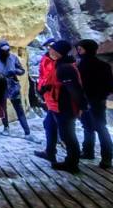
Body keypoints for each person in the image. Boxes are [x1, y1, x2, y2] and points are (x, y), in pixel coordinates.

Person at [34, 40, 85, 173]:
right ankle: (50, 152)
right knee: (49, 124)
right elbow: (55, 82)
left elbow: (75, 89)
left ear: (59, 53)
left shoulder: (65, 68)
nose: (50, 51)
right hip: (55, 105)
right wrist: (46, 88)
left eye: (53, 49)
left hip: (64, 106)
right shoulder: (60, 64)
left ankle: (72, 163)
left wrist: (82, 106)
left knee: (67, 135)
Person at [76, 39, 113, 169]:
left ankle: (92, 153)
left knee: (94, 128)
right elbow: (111, 87)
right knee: (97, 128)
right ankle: (103, 157)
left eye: (80, 49)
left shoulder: (80, 66)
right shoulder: (104, 65)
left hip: (89, 102)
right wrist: (101, 96)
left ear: (86, 49)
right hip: (97, 102)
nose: (78, 51)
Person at [0, 40, 33, 140]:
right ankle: (6, 127)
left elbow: (22, 71)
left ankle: (27, 131)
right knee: (3, 109)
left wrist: (14, 71)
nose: (6, 52)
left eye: (7, 50)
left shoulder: (13, 57)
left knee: (19, 109)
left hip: (13, 87)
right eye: (3, 50)